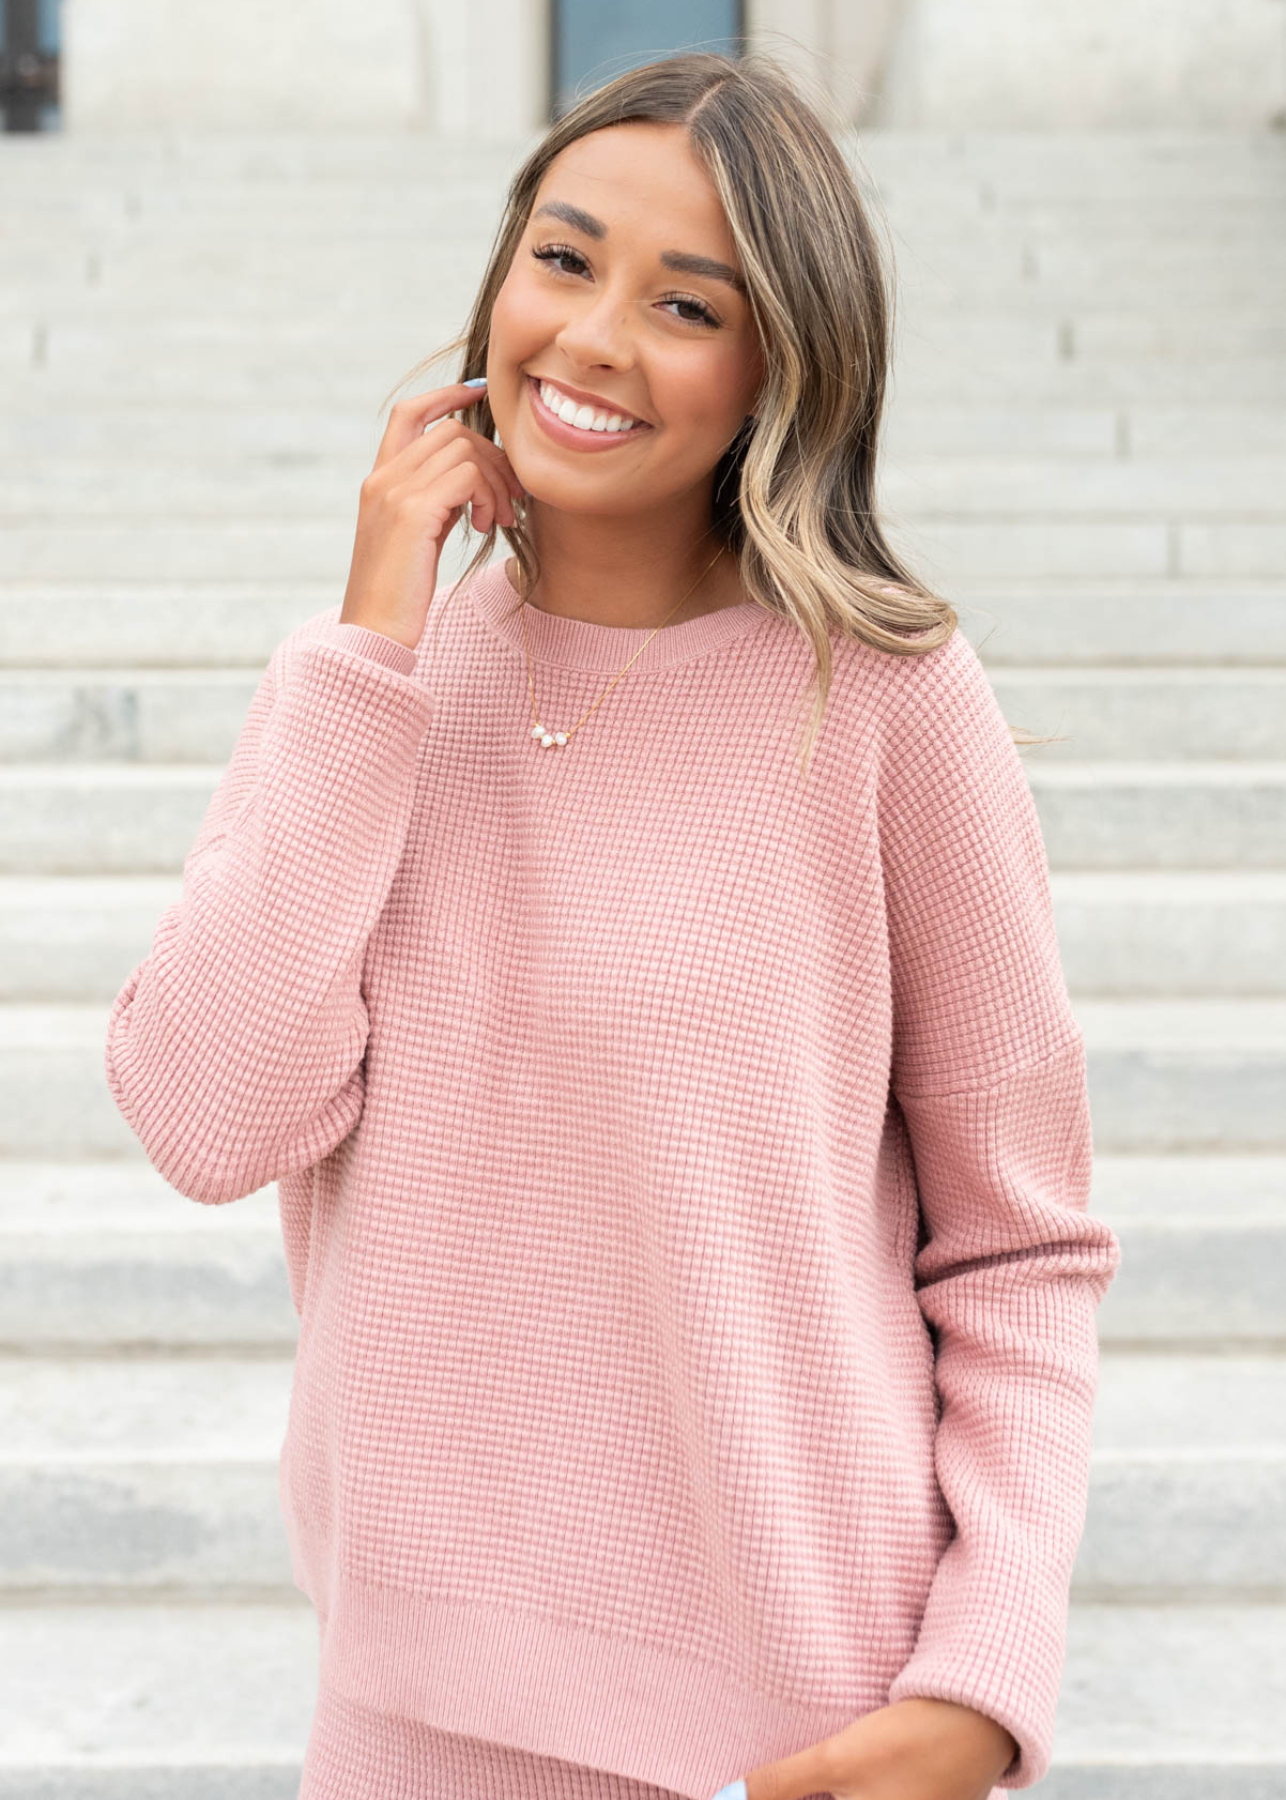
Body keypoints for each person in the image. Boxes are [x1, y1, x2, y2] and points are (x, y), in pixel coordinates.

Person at [103, 49, 1122, 1800]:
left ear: (780, 364)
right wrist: (370, 647)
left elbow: (1021, 1246)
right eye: (563, 261)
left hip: (817, 1718)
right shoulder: (371, 699)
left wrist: (984, 1673)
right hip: (417, 1709)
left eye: (684, 303)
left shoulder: (884, 703)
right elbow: (208, 1119)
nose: (588, 337)